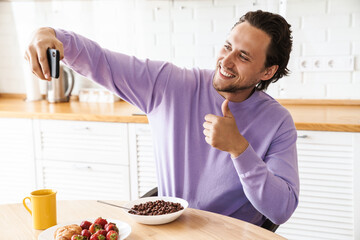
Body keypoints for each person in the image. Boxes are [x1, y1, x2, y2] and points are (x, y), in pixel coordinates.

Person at [25, 10, 299, 226]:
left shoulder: (278, 122)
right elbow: (101, 62)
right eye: (227, 46)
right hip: (170, 229)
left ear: (267, 71)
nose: (226, 61)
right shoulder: (171, 85)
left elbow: (281, 209)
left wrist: (239, 149)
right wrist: (47, 34)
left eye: (243, 56)